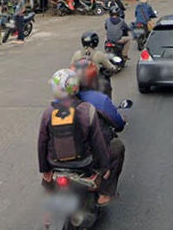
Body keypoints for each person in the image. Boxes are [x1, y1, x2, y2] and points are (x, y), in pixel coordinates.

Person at [38, 68, 123, 206]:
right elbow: (98, 142)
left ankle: (49, 192)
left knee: (48, 180)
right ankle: (104, 194)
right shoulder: (87, 109)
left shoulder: (48, 112)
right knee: (116, 146)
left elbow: (42, 143)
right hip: (84, 163)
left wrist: (44, 170)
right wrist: (105, 168)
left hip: (55, 163)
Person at [71, 59, 125, 141]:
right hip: (94, 146)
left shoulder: (60, 101)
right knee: (117, 146)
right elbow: (117, 122)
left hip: (68, 147)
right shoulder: (100, 99)